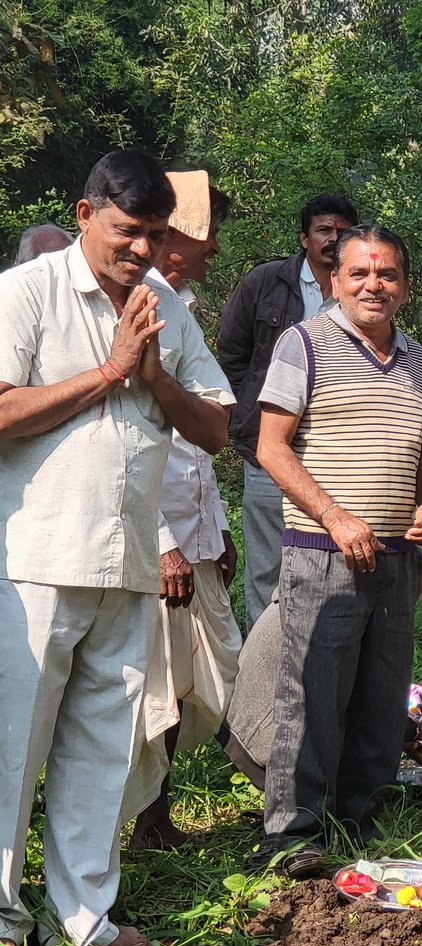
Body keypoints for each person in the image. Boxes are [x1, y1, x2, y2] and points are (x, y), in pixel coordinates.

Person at [0, 149, 233, 946]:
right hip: (36, 559)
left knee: (102, 750)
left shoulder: (162, 303)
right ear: (85, 214)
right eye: (128, 231)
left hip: (128, 560)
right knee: (11, 747)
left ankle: (83, 921)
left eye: (155, 235)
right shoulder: (26, 291)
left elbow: (216, 427)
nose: (141, 249)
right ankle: (1, 920)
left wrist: (156, 375)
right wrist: (109, 371)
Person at [250, 223, 422, 878]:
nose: (373, 285)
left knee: (381, 697)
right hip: (322, 551)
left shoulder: (414, 356)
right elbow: (270, 447)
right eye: (359, 273)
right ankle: (291, 834)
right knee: (312, 694)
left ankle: (361, 819)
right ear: (334, 281)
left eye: (387, 274)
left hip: (396, 558)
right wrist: (333, 516)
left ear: (405, 286)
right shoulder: (303, 343)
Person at [122, 169, 243, 850]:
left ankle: (156, 819)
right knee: (153, 687)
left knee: (198, 677)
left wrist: (215, 528)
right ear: (177, 237)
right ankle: (138, 822)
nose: (215, 247)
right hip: (150, 540)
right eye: (209, 233)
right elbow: (131, 444)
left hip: (192, 537)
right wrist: (165, 539)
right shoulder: (133, 302)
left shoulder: (177, 306)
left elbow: (198, 440)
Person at [217, 193, 359, 629]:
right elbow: (232, 353)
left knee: (331, 557)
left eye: (342, 231)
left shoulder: (360, 288)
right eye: (323, 230)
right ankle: (264, 656)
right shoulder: (265, 282)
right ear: (304, 238)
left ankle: (320, 644)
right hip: (268, 448)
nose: (333, 238)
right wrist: (253, 410)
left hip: (334, 452)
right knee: (266, 566)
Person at [218, 547, 422, 790]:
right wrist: (410, 732)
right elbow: (361, 702)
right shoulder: (339, 617)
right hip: (265, 748)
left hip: (243, 734)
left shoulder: (313, 596)